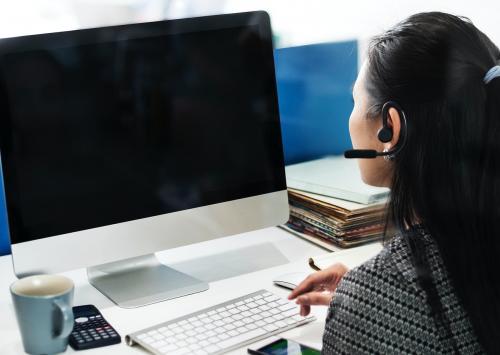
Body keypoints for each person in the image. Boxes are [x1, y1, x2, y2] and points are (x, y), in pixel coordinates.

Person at [288, 12, 500, 354]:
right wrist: (379, 289)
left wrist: (372, 298)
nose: (351, 117)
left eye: (355, 102)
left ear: (390, 128)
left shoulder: (370, 302)